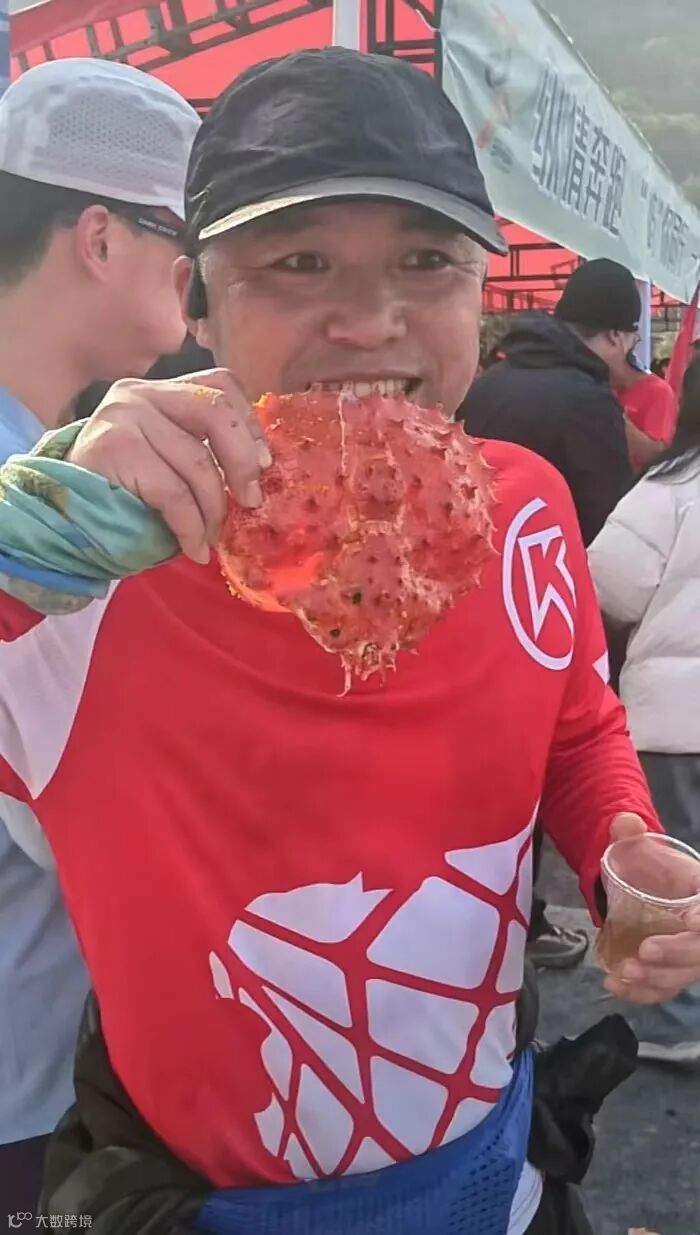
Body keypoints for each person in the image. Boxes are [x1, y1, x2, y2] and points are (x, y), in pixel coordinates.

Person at [0, 48, 698, 1235]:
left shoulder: (525, 506)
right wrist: (33, 531)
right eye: (299, 262)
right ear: (198, 299)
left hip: (505, 1173)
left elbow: (574, 722)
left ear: (480, 292)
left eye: (426, 262)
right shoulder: (92, 576)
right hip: (197, 1199)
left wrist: (621, 842)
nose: (372, 320)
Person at [0, 57, 199, 1215]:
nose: (201, 281)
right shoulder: (43, 501)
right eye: (189, 245)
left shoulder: (80, 464)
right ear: (100, 237)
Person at [459, 259, 640, 969]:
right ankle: (520, 922)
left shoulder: (486, 383)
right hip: (542, 603)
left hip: (444, 601)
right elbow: (611, 521)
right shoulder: (588, 401)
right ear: (618, 334)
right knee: (527, 767)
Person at [589, 354, 700, 1069]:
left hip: (675, 722)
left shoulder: (670, 490)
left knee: (670, 869)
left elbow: (607, 582)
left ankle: (677, 1016)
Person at [612, 349, 677, 473]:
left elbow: (654, 455)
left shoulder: (658, 391)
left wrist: (617, 416)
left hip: (636, 480)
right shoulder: (603, 388)